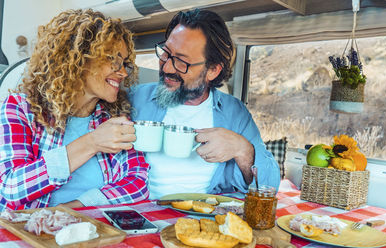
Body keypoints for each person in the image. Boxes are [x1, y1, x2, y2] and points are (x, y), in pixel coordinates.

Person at [0, 9, 149, 211]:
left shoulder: (113, 116)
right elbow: (12, 188)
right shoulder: (20, 108)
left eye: (124, 63)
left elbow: (137, 183)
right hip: (31, 231)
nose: (122, 72)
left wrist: (73, 208)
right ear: (78, 58)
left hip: (92, 228)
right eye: (113, 59)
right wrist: (92, 142)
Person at [129, 9, 280, 199]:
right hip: (139, 212)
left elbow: (269, 187)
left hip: (202, 217)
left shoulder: (235, 113)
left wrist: (242, 149)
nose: (166, 67)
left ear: (213, 70)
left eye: (181, 62)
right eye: (165, 53)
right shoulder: (133, 99)